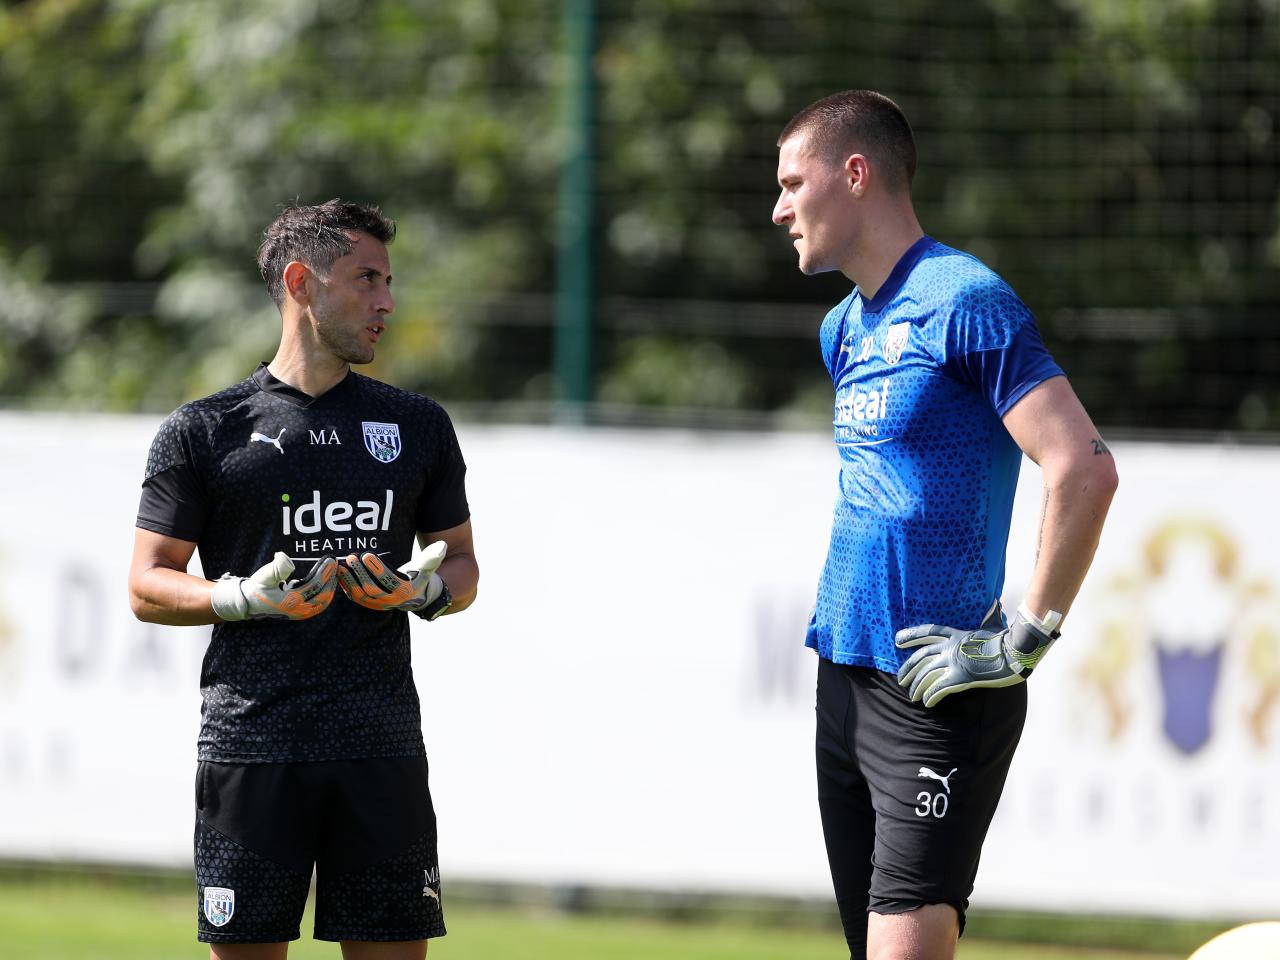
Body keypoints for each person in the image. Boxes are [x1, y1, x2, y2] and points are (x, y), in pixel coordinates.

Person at [771, 91, 1118, 960]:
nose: (778, 209)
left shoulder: (965, 299)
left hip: (939, 689)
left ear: (855, 174)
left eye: (790, 182)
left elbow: (1083, 465)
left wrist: (1024, 638)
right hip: (843, 680)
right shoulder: (841, 329)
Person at [127, 200, 479, 960]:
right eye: (366, 280)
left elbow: (462, 563)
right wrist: (240, 600)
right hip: (252, 748)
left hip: (379, 747)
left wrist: (418, 591)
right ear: (300, 282)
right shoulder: (202, 430)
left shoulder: (417, 425)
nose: (387, 302)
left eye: (389, 281)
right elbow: (147, 584)